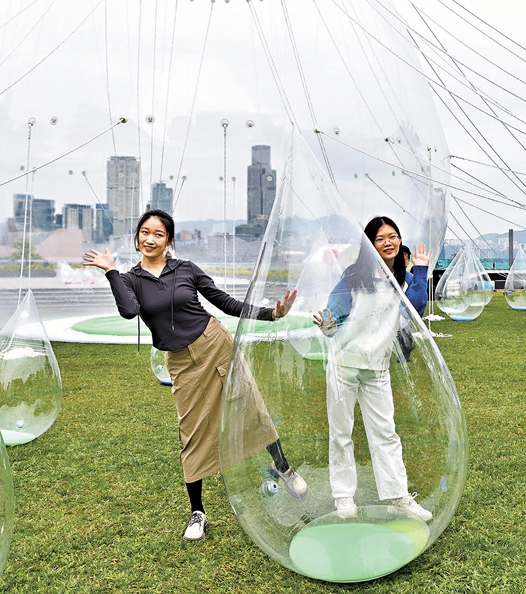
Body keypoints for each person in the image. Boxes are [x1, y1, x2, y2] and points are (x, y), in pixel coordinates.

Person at [83, 209, 306, 542]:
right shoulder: (130, 279)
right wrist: (112, 271)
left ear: (169, 241)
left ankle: (283, 467)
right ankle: (197, 512)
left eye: (158, 234)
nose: (150, 239)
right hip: (181, 363)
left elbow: (224, 302)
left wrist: (271, 314)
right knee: (190, 432)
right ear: (137, 238)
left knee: (251, 405)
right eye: (145, 232)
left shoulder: (185, 269)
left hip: (215, 344)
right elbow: (129, 311)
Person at [312, 216, 433, 522]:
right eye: (380, 238)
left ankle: (397, 496)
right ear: (370, 245)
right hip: (345, 365)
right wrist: (328, 324)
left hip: (377, 368)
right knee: (341, 433)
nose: (388, 242)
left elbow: (415, 308)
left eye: (393, 236)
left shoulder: (401, 279)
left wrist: (420, 269)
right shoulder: (354, 276)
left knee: (386, 434)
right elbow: (333, 315)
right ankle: (343, 497)